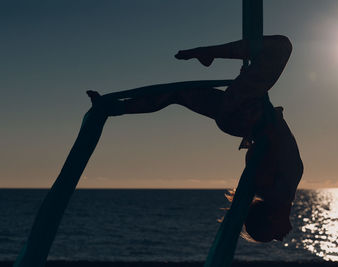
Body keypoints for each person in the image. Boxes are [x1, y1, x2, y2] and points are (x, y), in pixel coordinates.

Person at [87, 35, 303, 243]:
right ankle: (113, 107)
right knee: (177, 95)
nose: (279, 238)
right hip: (241, 117)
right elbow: (259, 155)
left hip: (245, 115)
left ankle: (209, 53)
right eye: (274, 236)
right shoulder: (279, 192)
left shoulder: (276, 192)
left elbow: (257, 155)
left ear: (271, 218)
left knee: (281, 47)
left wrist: (264, 119)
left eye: (273, 235)